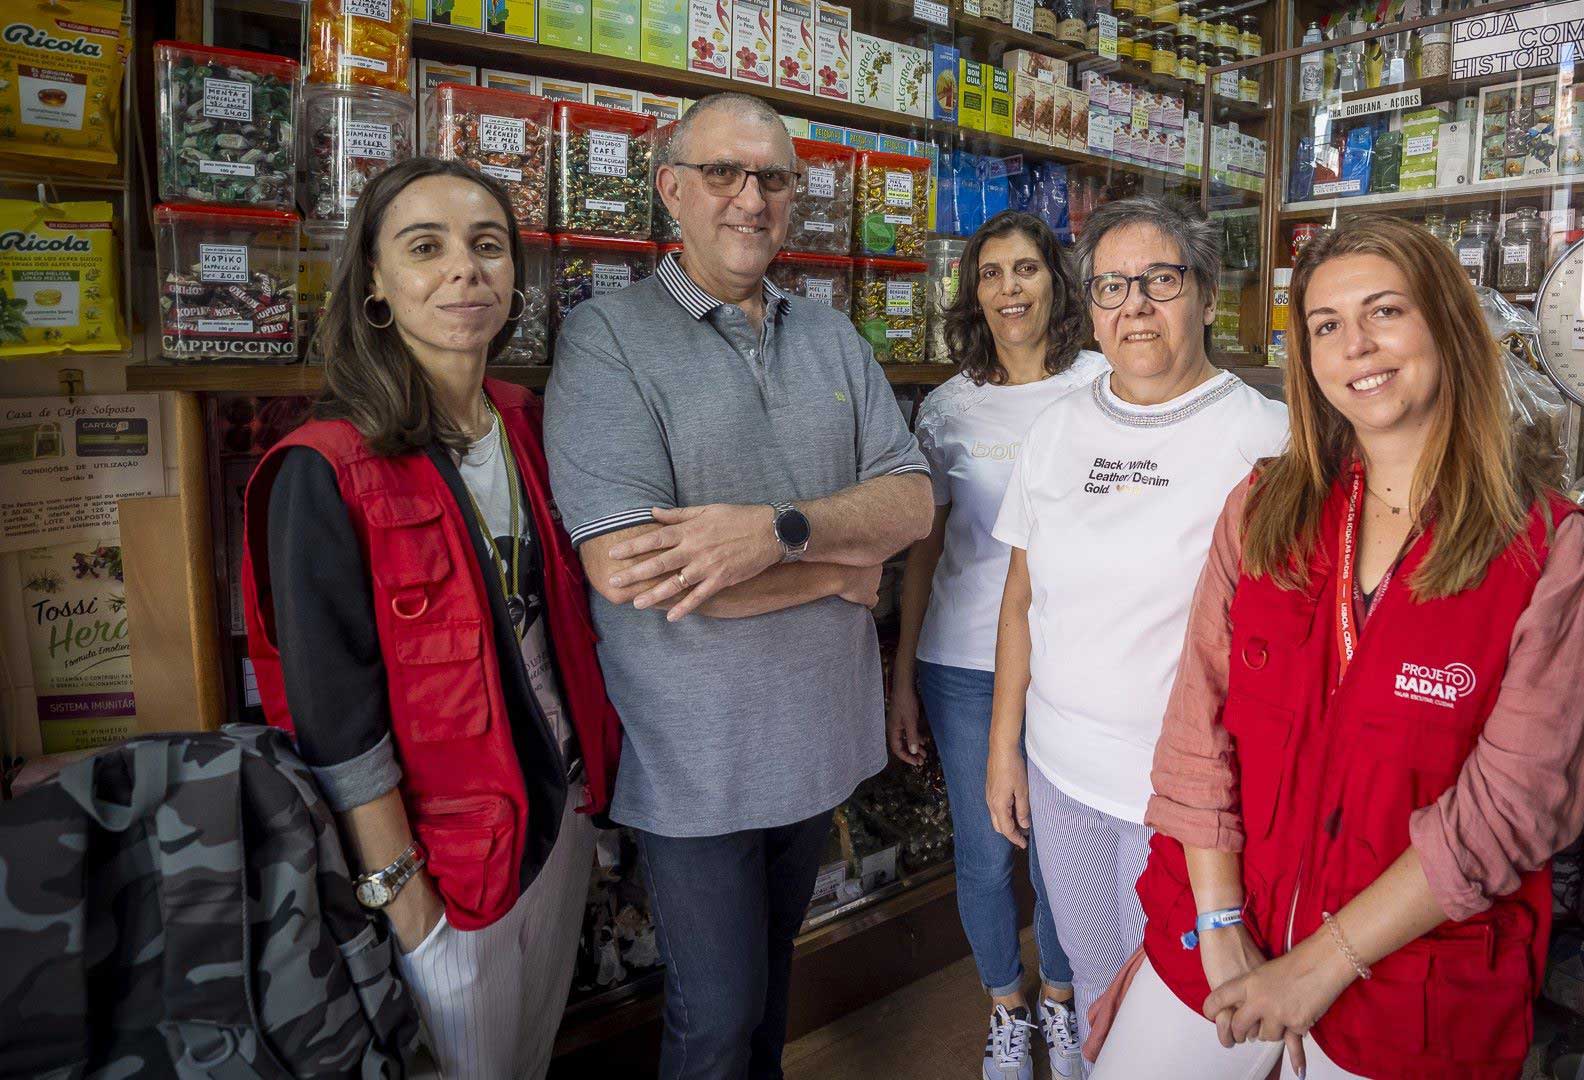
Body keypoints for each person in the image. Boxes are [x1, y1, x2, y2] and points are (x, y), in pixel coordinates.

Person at [1092, 214, 1584, 1079]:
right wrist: (1224, 932)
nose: (1356, 347)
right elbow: (1196, 733)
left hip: (1408, 982)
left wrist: (1319, 967)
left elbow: (1513, 807)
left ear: (1446, 326)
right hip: (1221, 927)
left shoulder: (1548, 552)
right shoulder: (1264, 509)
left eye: (1385, 313)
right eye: (1326, 327)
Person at [542, 92, 933, 1080]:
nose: (749, 199)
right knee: (714, 1022)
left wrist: (776, 533)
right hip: (695, 760)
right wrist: (840, 570)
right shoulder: (608, 340)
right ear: (672, 189)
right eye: (724, 173)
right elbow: (629, 571)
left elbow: (915, 502)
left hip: (812, 741)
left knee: (766, 998)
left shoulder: (834, 337)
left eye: (771, 178)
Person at [238, 156, 623, 1079]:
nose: (465, 270)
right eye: (426, 247)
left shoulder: (530, 421)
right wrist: (402, 896)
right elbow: (334, 713)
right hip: (444, 872)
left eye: (488, 246)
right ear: (375, 281)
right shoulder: (323, 467)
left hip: (560, 822)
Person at [985, 197, 1289, 1056]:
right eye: (1112, 286)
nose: (1136, 307)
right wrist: (1004, 745)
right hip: (1061, 772)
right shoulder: (1056, 430)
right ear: (1089, 306)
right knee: (1086, 972)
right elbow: (1021, 598)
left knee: (1168, 1004)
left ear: (1204, 294)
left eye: (1160, 279)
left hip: (1187, 803)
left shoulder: (1269, 440)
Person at [890, 210, 1107, 1080]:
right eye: (990, 274)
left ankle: (1060, 999)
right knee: (985, 851)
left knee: (1061, 848)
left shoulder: (1101, 385)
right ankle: (1006, 1009)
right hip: (965, 664)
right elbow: (924, 551)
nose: (1009, 288)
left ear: (1055, 280)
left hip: (1069, 657)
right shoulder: (948, 406)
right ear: (972, 293)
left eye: (1025, 269)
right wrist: (903, 676)